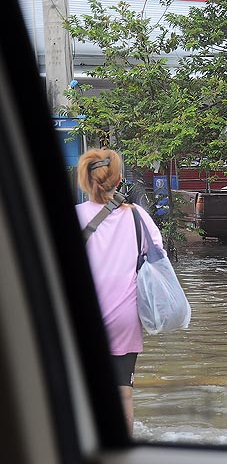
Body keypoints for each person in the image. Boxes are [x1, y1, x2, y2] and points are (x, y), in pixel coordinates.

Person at [75, 148, 164, 434]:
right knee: (123, 391)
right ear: (119, 180)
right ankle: (124, 445)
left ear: (85, 180)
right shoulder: (137, 216)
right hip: (125, 315)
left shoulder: (75, 216)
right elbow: (157, 255)